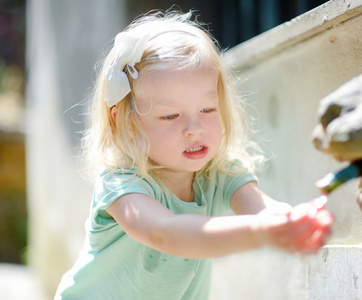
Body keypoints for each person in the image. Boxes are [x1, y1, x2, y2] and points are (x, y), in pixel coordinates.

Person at [54, 9, 333, 300]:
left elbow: (261, 209)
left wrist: (293, 220)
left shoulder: (220, 172)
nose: (194, 129)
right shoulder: (122, 186)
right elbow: (166, 233)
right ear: (123, 122)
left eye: (207, 109)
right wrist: (259, 232)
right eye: (171, 115)